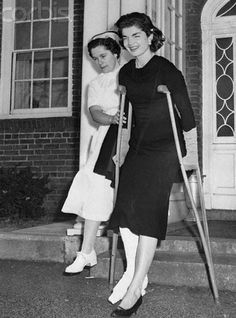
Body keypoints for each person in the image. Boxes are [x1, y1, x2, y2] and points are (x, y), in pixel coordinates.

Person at [108, 12, 198, 317]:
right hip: (139, 147)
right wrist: (121, 148)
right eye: (125, 37)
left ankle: (135, 289)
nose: (130, 43)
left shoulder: (166, 70)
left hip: (167, 147)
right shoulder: (126, 74)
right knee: (124, 213)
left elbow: (187, 117)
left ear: (149, 36)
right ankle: (138, 273)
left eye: (136, 36)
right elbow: (126, 118)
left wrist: (191, 156)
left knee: (146, 213)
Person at [62, 31, 123, 275]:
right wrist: (113, 117)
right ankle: (87, 251)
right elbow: (96, 113)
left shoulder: (129, 74)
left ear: (116, 52)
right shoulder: (96, 84)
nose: (100, 61)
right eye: (95, 58)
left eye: (104, 55)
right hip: (106, 138)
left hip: (133, 138)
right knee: (94, 188)